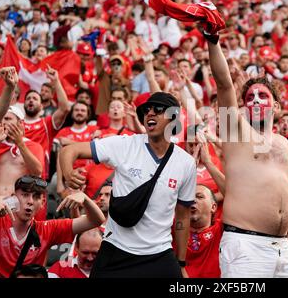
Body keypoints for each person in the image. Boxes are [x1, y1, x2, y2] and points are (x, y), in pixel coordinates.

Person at [206, 34, 288, 278]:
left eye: (262, 96)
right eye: (249, 97)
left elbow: (285, 192)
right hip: (245, 245)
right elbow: (224, 84)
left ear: (276, 106)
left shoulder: (283, 144)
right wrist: (213, 42)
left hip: (282, 247)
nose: (255, 100)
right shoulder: (236, 133)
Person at [60, 91, 196, 278]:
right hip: (116, 249)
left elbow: (182, 218)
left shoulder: (186, 163)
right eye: (146, 110)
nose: (150, 113)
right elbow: (70, 150)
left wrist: (181, 263)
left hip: (159, 254)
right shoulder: (124, 145)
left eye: (157, 109)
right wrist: (68, 174)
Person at [0, 175, 105, 278]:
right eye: (25, 195)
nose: (30, 201)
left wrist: (85, 199)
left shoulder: (48, 229)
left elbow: (96, 220)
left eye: (36, 197)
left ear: (43, 202)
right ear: (13, 198)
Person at [0, 107, 44, 197]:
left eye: (7, 119)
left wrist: (20, 143)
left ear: (20, 123)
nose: (3, 122)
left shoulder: (33, 146)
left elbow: (37, 172)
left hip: (19, 205)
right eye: (1, 119)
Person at [186, 185, 222, 278]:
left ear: (213, 207)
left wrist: (210, 168)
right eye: (189, 197)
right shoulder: (171, 228)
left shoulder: (222, 230)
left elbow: (233, 194)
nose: (193, 200)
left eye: (200, 196)